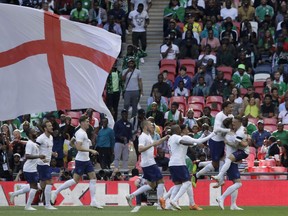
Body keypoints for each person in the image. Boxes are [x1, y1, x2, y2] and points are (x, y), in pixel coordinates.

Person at [51, 115, 103, 208]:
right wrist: (91, 150)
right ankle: (56, 191)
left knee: (93, 177)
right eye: (87, 121)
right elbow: (78, 147)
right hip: (81, 160)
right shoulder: (81, 133)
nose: (88, 123)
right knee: (75, 180)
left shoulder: (81, 132)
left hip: (86, 159)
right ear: (82, 123)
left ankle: (93, 201)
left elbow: (71, 142)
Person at [161, 124, 215, 210]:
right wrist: (212, 134)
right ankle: (174, 200)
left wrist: (195, 142)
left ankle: (168, 201)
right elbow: (189, 142)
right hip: (179, 163)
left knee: (178, 185)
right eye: (184, 129)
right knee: (188, 182)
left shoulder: (171, 138)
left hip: (173, 163)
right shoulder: (178, 137)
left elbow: (195, 142)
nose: (187, 130)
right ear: (179, 130)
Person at [125, 120, 170, 209]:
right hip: (149, 163)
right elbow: (140, 149)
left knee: (151, 185)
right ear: (145, 127)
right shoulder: (142, 137)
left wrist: (164, 138)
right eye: (150, 125)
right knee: (160, 181)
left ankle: (131, 196)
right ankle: (160, 204)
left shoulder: (148, 136)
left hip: (148, 163)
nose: (152, 127)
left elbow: (155, 143)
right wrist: (151, 145)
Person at [195, 101, 233, 182]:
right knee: (215, 164)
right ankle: (197, 175)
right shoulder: (219, 115)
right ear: (225, 108)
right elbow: (216, 129)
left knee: (222, 160)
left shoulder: (231, 116)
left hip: (222, 142)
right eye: (230, 107)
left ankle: (200, 164)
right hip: (215, 141)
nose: (231, 109)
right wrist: (228, 130)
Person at [10, 128, 45, 210]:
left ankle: (14, 194)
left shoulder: (34, 143)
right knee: (35, 187)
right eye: (34, 131)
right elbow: (27, 156)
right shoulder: (30, 144)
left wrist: (42, 159)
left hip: (33, 168)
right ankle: (28, 206)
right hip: (29, 168)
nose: (36, 133)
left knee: (34, 186)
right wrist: (39, 156)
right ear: (30, 134)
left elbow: (35, 156)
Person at [212, 117, 249, 187]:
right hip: (231, 159)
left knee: (236, 182)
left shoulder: (236, 133)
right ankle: (220, 179)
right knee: (236, 182)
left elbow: (243, 144)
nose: (233, 124)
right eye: (232, 123)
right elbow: (244, 144)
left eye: (234, 123)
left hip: (231, 159)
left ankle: (220, 179)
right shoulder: (233, 133)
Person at [36, 120, 58, 210]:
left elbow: (47, 149)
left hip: (47, 163)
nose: (51, 127)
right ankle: (48, 204)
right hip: (41, 164)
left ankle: (21, 189)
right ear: (45, 128)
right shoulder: (40, 138)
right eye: (49, 126)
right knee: (50, 182)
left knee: (42, 185)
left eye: (51, 126)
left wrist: (53, 153)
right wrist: (41, 158)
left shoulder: (51, 137)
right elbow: (35, 150)